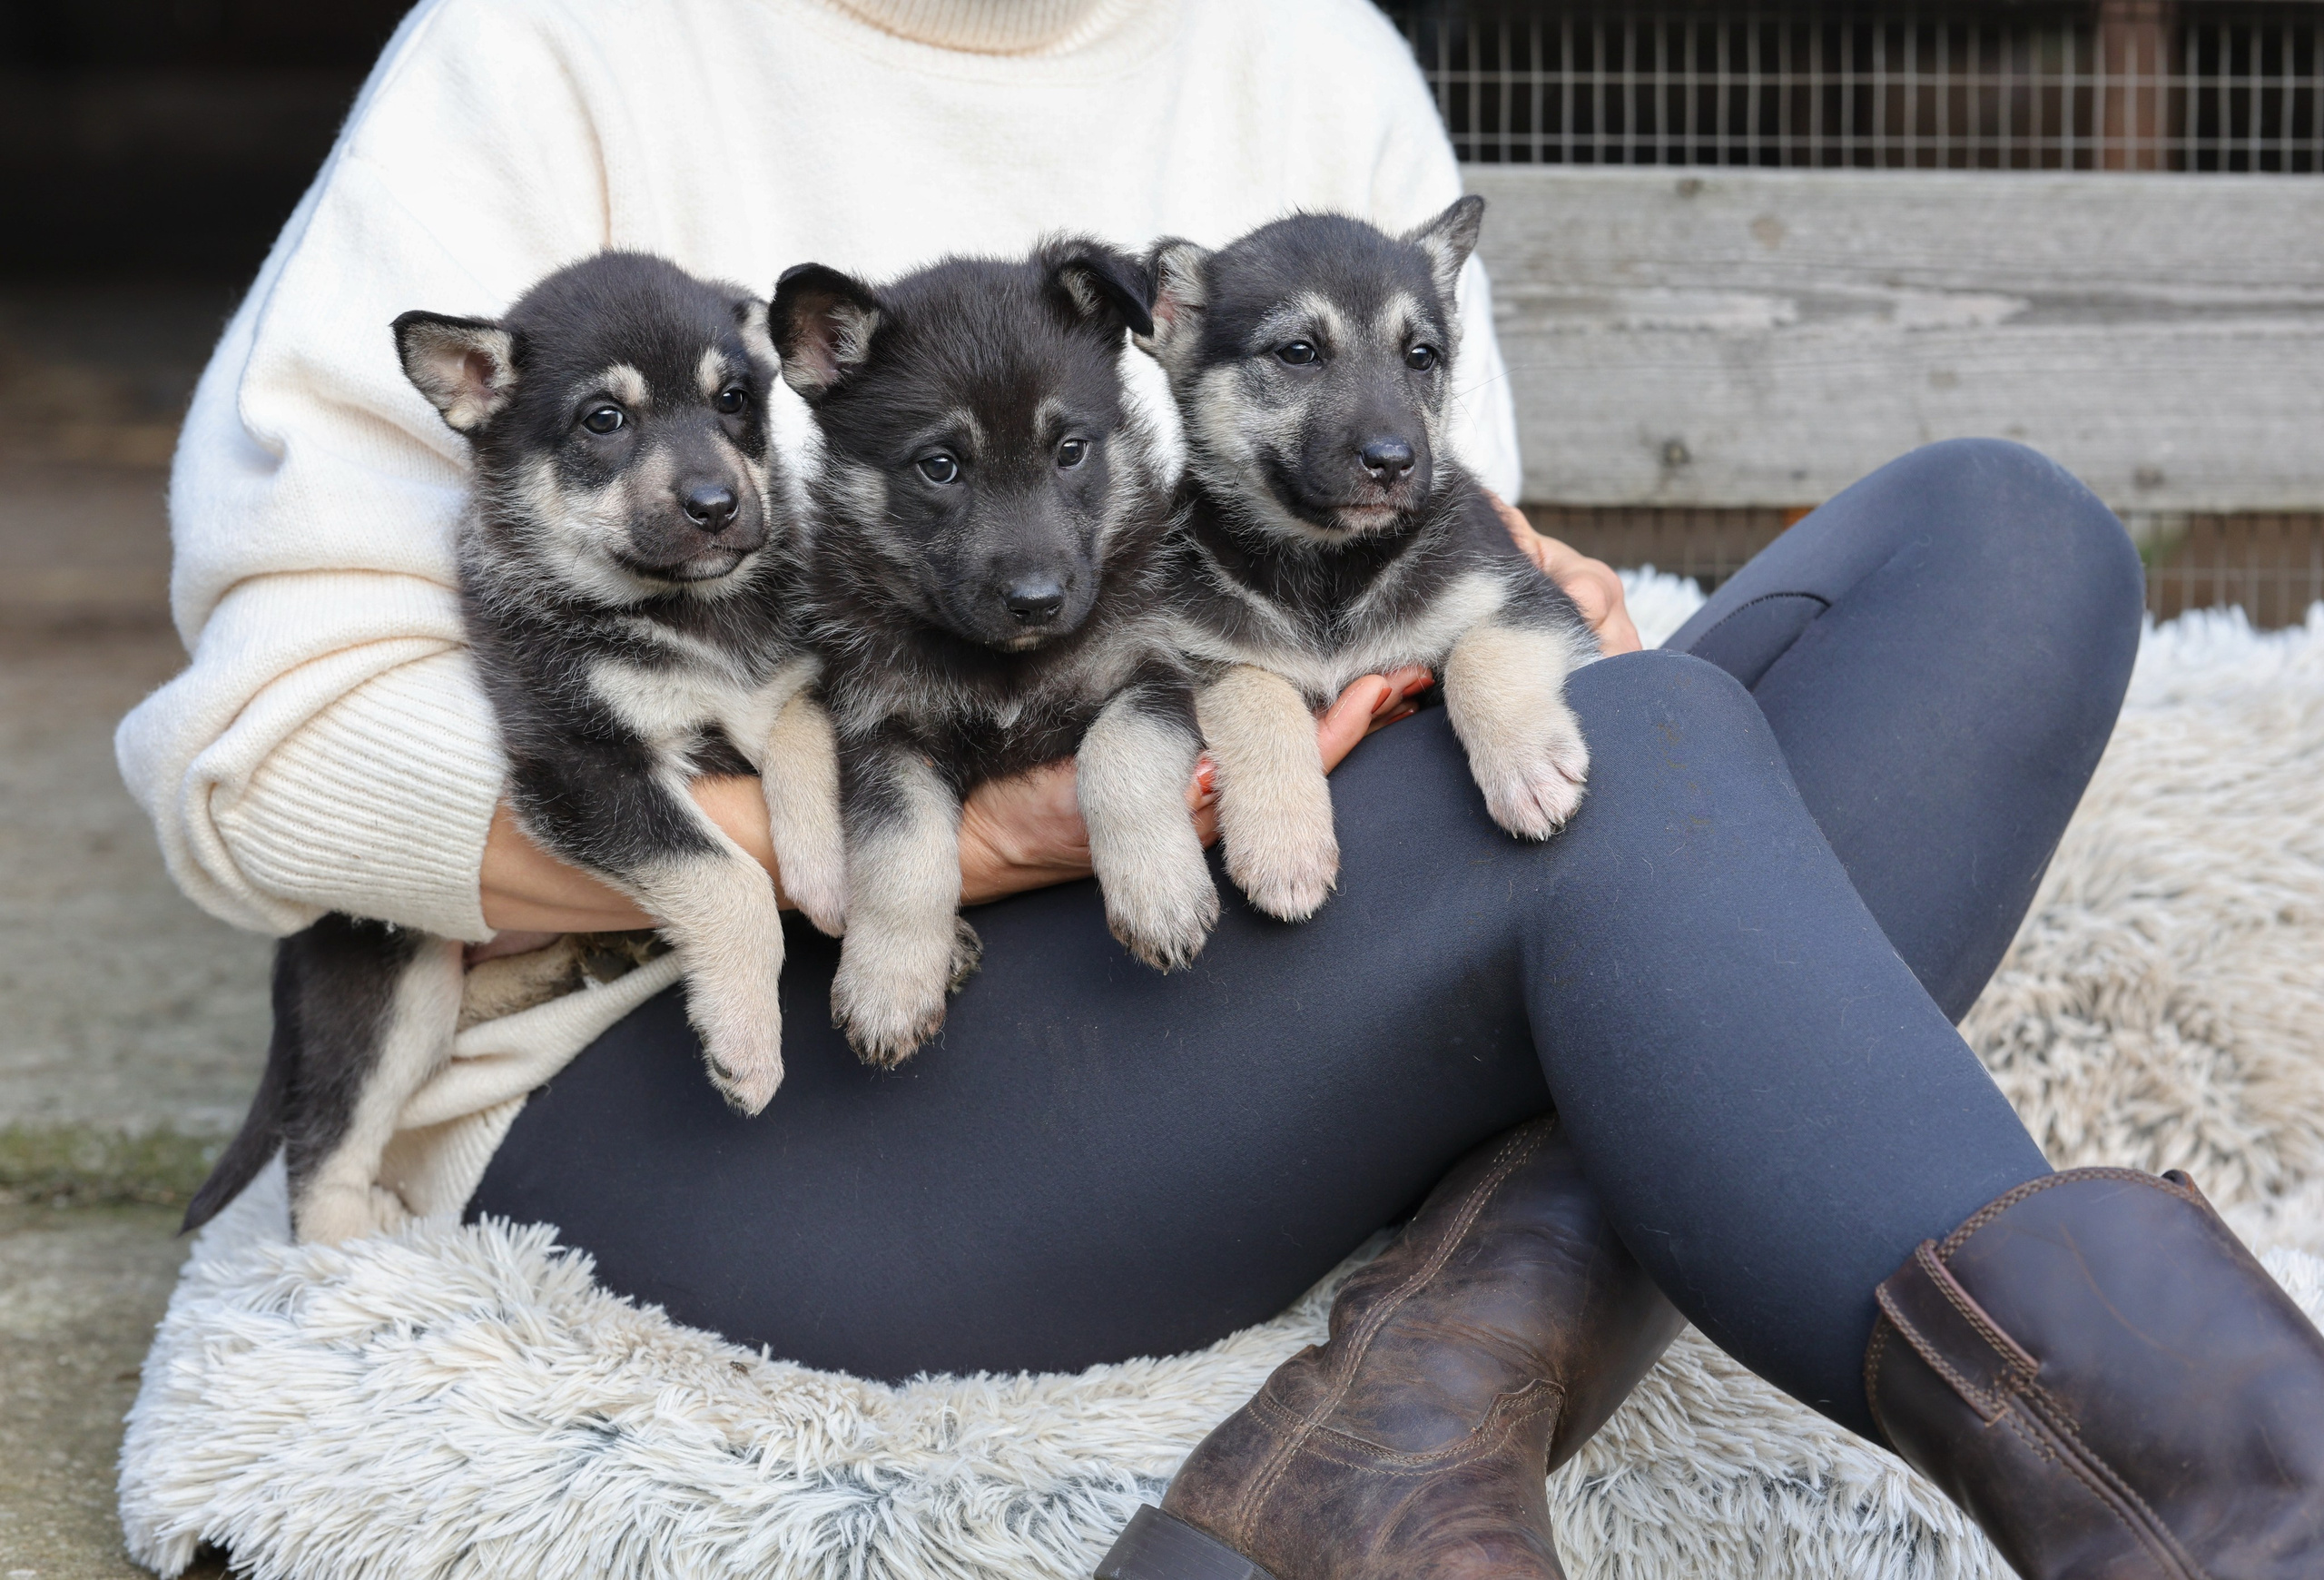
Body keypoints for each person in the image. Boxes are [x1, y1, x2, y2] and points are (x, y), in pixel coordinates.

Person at [119, 2, 2324, 1577]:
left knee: (1998, 543)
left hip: (1245, 957)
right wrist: (963, 838)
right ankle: (2235, 1509)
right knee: (1659, 762)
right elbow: (270, 761)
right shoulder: (544, 52)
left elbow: (1428, 595)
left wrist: (1512, 624)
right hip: (743, 1109)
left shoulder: (1312, 50)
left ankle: (1392, 1428)